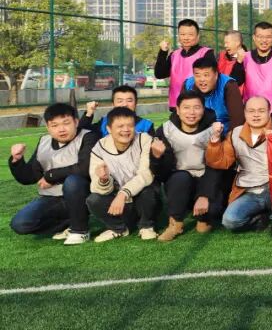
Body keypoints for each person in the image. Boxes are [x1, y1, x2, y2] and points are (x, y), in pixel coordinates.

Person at [8, 103, 96, 244]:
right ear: (48, 128)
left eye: (66, 123)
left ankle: (80, 230)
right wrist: (17, 160)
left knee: (73, 181)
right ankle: (69, 223)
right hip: (52, 199)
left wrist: (50, 176)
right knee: (20, 224)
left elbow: (84, 168)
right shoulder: (44, 141)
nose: (61, 129)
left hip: (82, 195)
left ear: (76, 122)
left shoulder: (88, 137)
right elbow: (29, 177)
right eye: (54, 125)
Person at [151, 89, 222, 241]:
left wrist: (205, 194)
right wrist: (157, 158)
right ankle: (175, 222)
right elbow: (162, 174)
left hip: (206, 179)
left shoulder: (214, 129)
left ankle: (204, 219)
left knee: (212, 213)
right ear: (177, 110)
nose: (191, 112)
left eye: (196, 107)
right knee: (180, 177)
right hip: (179, 181)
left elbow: (216, 165)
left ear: (203, 109)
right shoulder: (166, 130)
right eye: (186, 107)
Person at [207, 96, 272, 236]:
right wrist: (215, 140)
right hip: (248, 189)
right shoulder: (235, 133)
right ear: (245, 113)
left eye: (261, 111)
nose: (256, 115)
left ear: (269, 112)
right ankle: (260, 219)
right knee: (230, 221)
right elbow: (221, 162)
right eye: (251, 111)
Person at [85, 107, 158, 242]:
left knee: (149, 189)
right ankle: (118, 228)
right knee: (93, 200)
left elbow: (146, 174)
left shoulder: (144, 139)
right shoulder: (99, 148)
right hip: (118, 203)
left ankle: (146, 225)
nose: (126, 130)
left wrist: (123, 193)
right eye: (120, 126)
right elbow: (95, 188)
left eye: (130, 125)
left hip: (139, 198)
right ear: (108, 129)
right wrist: (103, 180)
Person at [233, 21, 272, 119]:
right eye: (260, 36)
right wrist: (239, 62)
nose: (264, 40)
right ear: (254, 37)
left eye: (268, 37)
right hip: (250, 113)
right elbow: (235, 82)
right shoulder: (245, 57)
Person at [155, 18, 214, 109]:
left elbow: (212, 80)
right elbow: (159, 74)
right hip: (176, 106)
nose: (186, 38)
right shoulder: (174, 55)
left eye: (190, 34)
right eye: (182, 34)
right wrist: (163, 52)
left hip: (200, 106)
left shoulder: (206, 53)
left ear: (198, 36)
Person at [183, 55, 245, 130]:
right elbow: (180, 113)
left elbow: (237, 120)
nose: (202, 79)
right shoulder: (188, 85)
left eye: (206, 75)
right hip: (197, 131)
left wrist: (229, 135)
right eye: (197, 75)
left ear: (216, 75)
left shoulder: (229, 85)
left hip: (224, 130)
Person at [79, 85, 154, 136]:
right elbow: (82, 132)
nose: (125, 104)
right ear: (113, 104)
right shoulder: (104, 123)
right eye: (120, 101)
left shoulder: (146, 126)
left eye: (129, 100)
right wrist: (88, 114)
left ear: (136, 103)